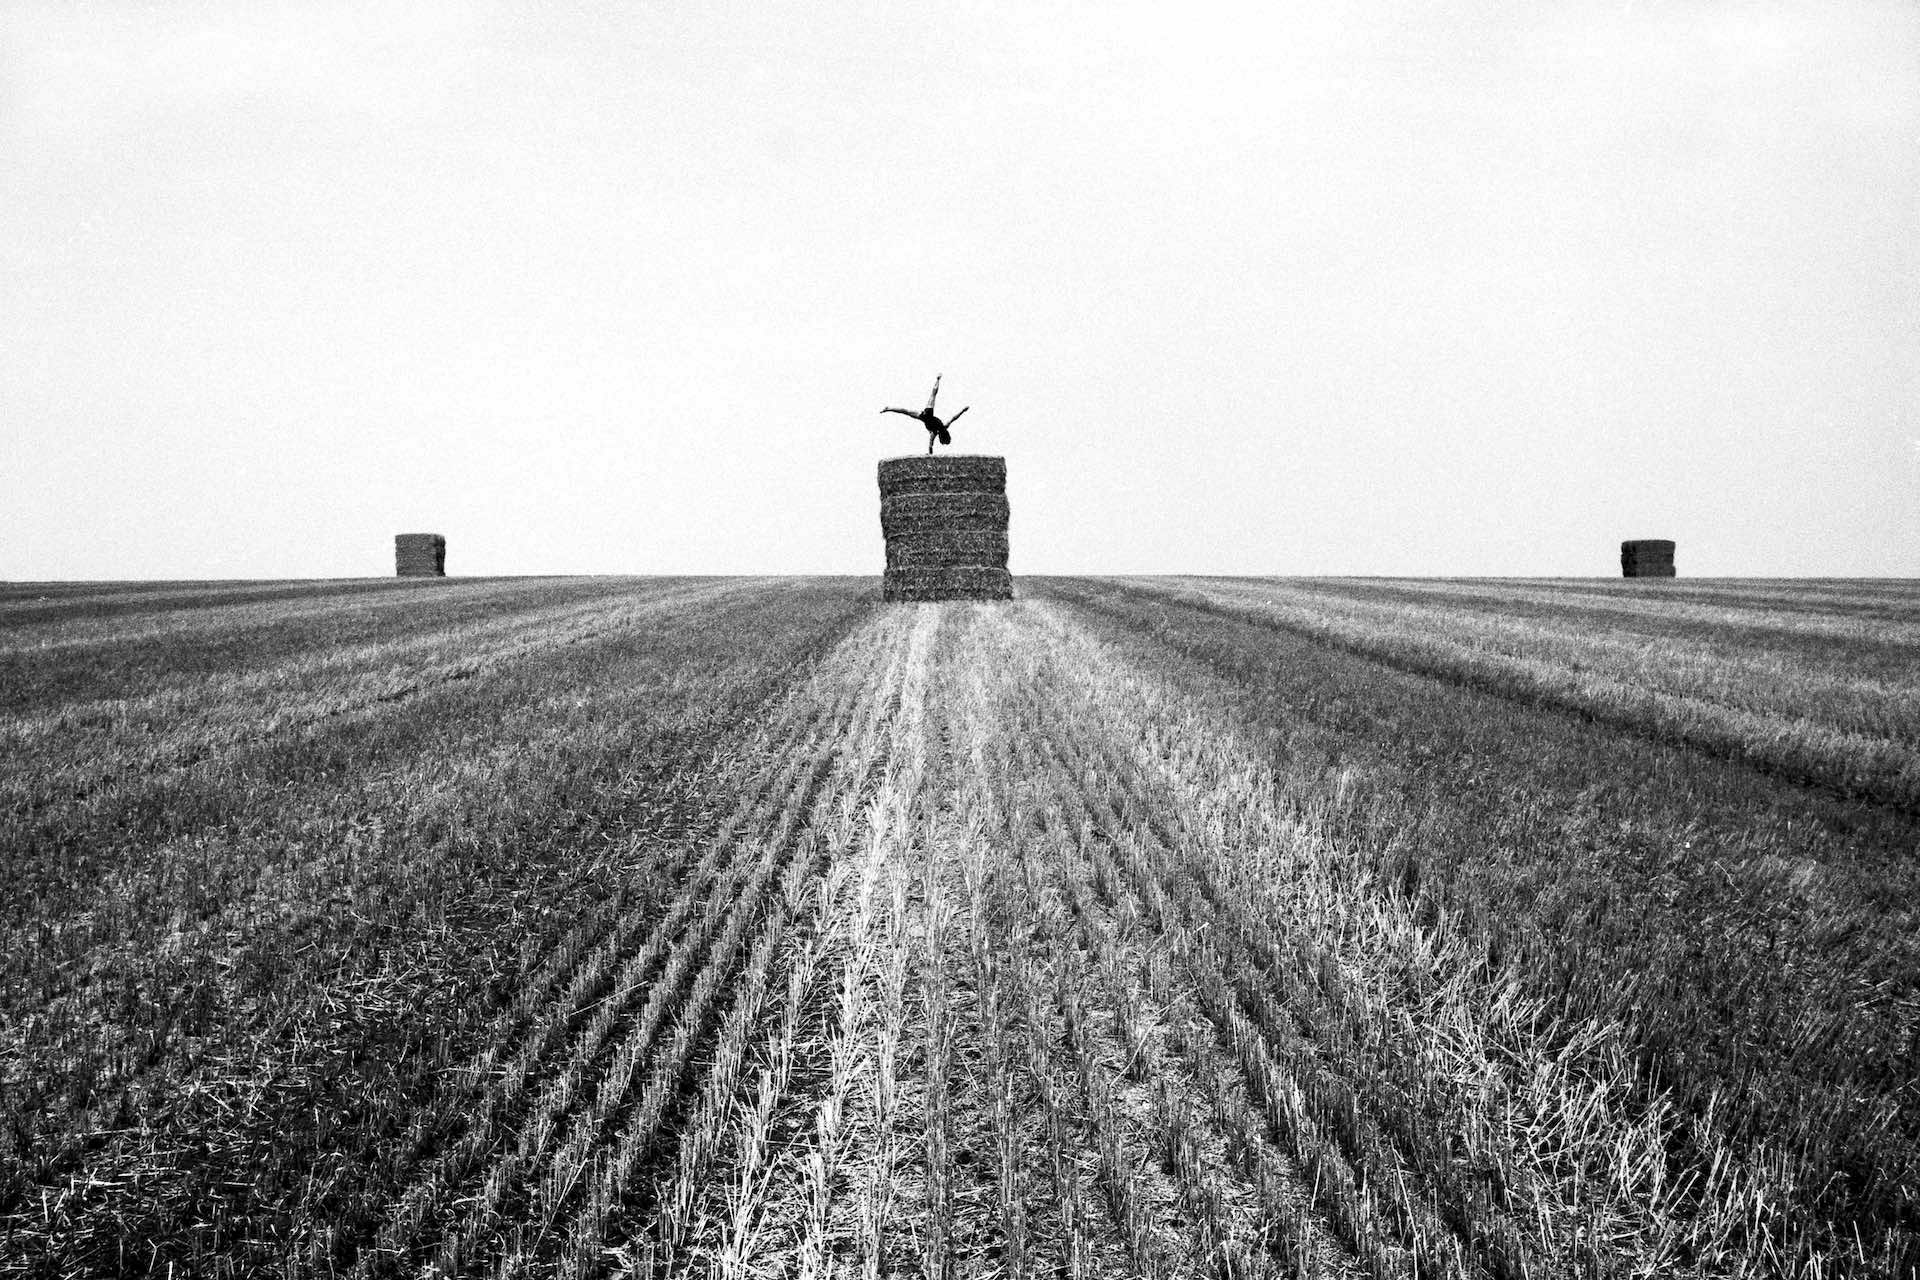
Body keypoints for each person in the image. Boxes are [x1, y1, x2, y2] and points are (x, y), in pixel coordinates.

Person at [882, 375, 969, 454]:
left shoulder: (943, 427)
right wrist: (930, 455)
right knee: (908, 411)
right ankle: (889, 408)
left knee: (931, 396)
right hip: (925, 416)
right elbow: (930, 445)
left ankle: (889, 408)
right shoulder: (935, 433)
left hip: (927, 414)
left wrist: (963, 411)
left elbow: (954, 418)